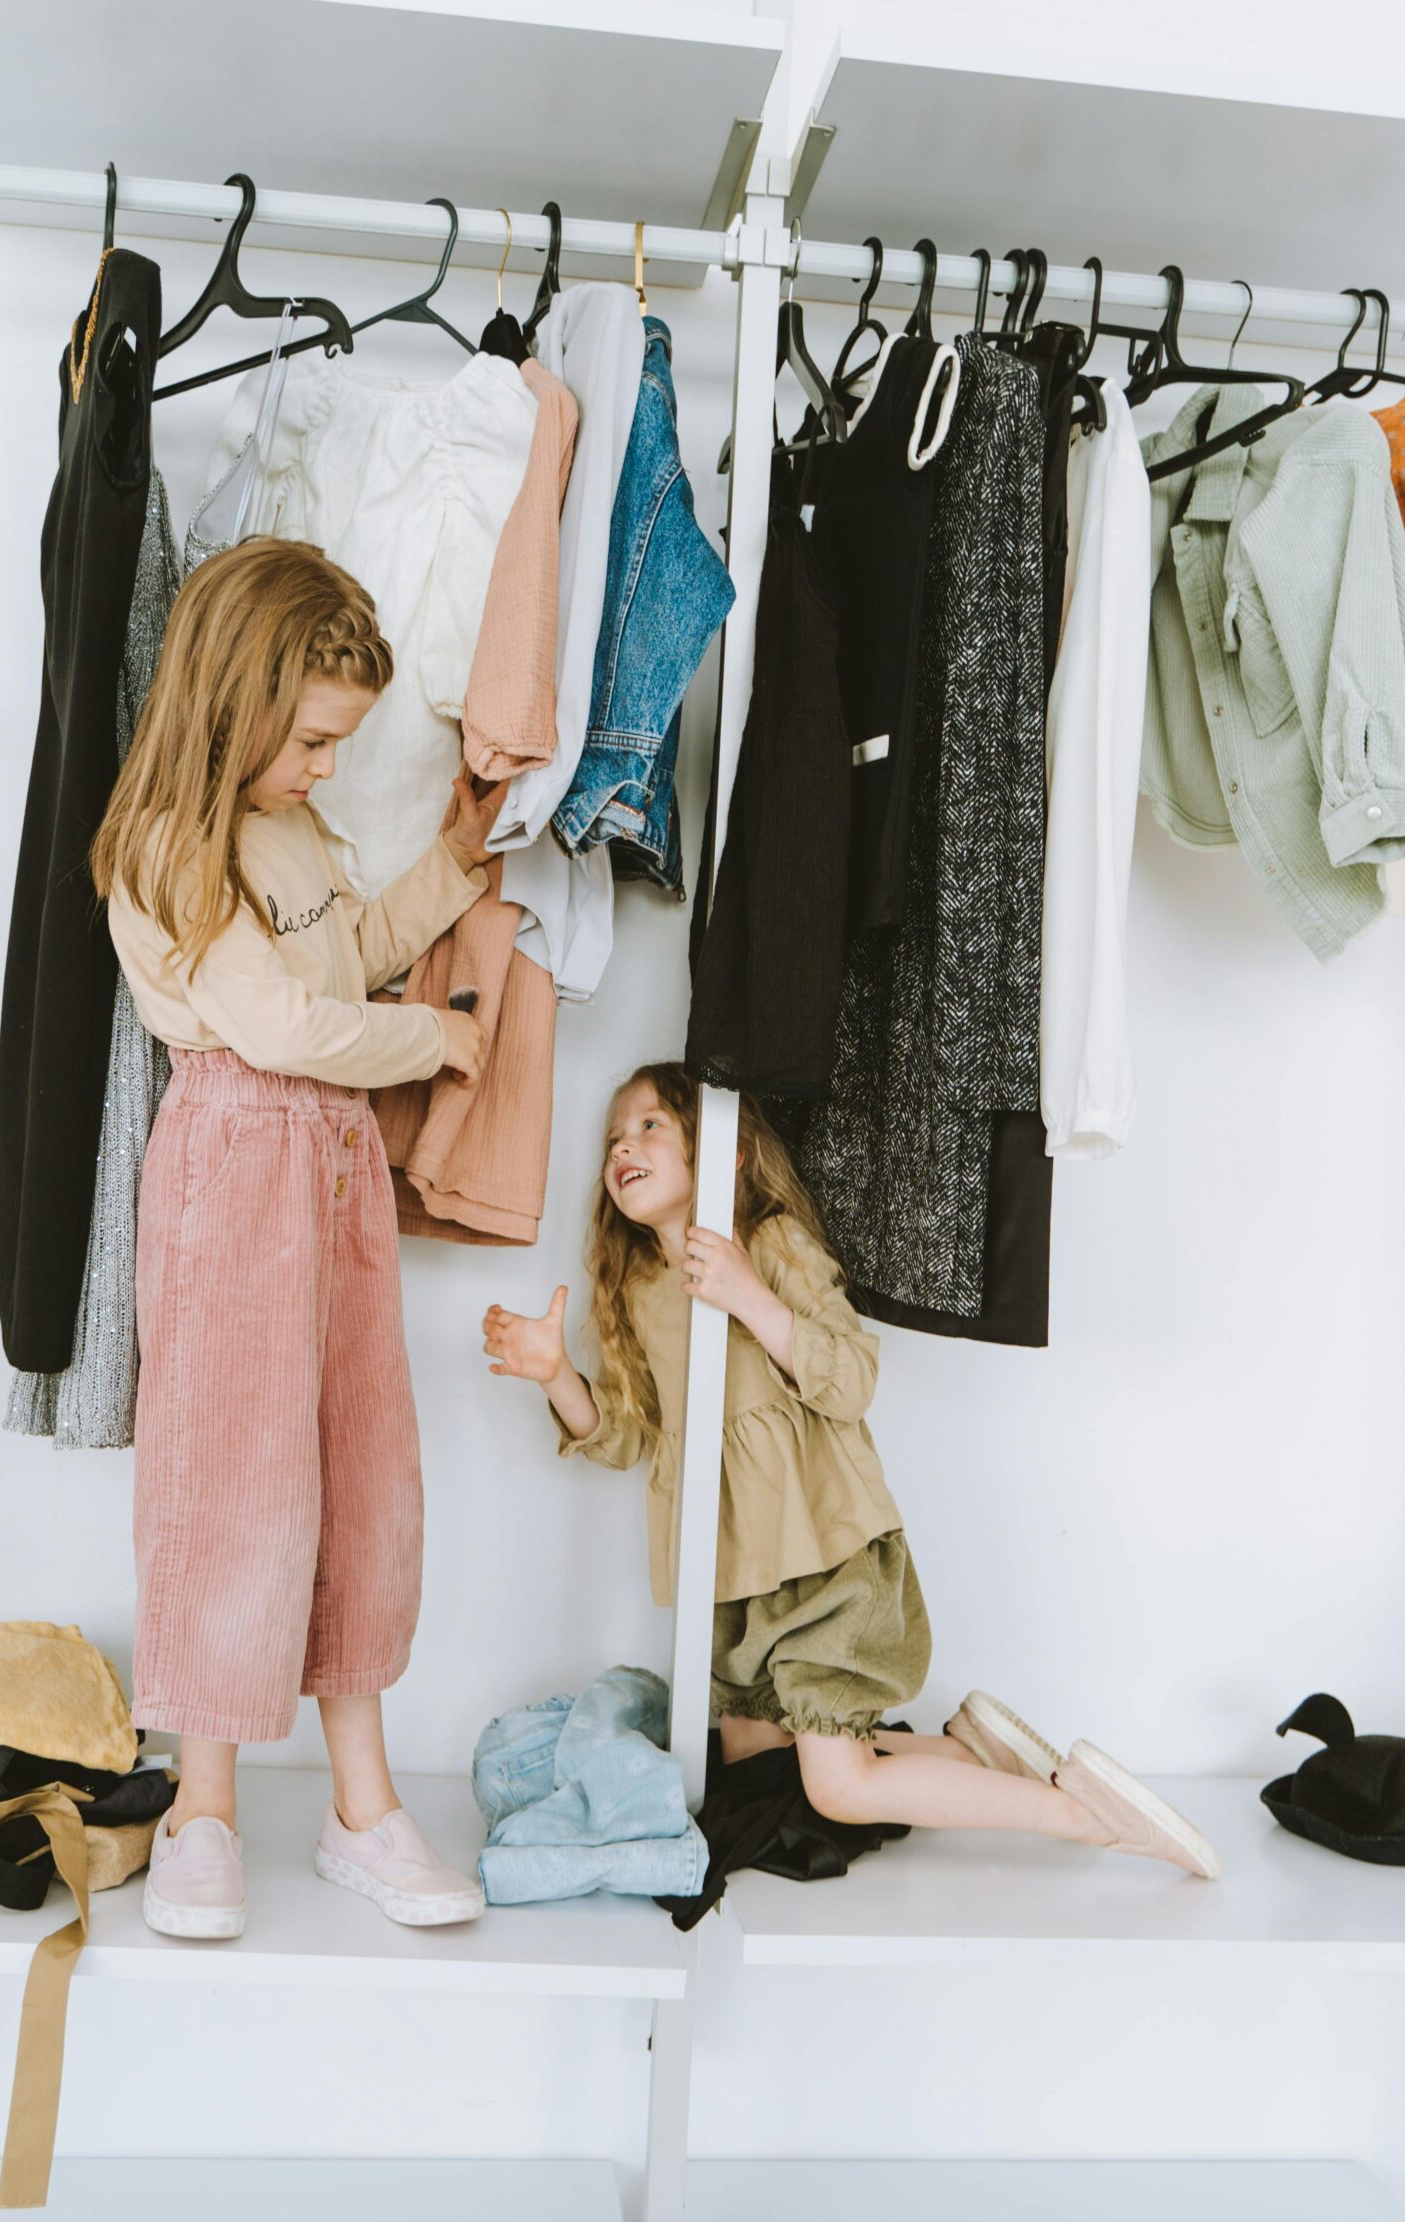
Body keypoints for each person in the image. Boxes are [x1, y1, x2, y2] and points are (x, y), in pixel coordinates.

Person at [483, 1062, 1220, 1879]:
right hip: (727, 1589)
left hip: (819, 1558)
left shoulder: (767, 1244)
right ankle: (962, 1750)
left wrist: (748, 1295)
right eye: (614, 1138)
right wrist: (552, 1372)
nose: (625, 1145)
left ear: (720, 1150)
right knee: (759, 1784)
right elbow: (625, 1441)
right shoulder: (632, 1291)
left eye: (650, 1124)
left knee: (836, 1793)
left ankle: (1081, 1813)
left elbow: (851, 1379)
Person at [93, 537, 498, 1938]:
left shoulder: (296, 835)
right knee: (235, 1479)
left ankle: (360, 1806)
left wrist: (447, 867)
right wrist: (430, 1040)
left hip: (327, 1167)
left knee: (362, 1473)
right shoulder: (166, 848)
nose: (327, 768)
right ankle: (204, 1806)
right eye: (316, 741)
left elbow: (344, 958)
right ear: (239, 700)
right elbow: (279, 1027)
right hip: (238, 1165)